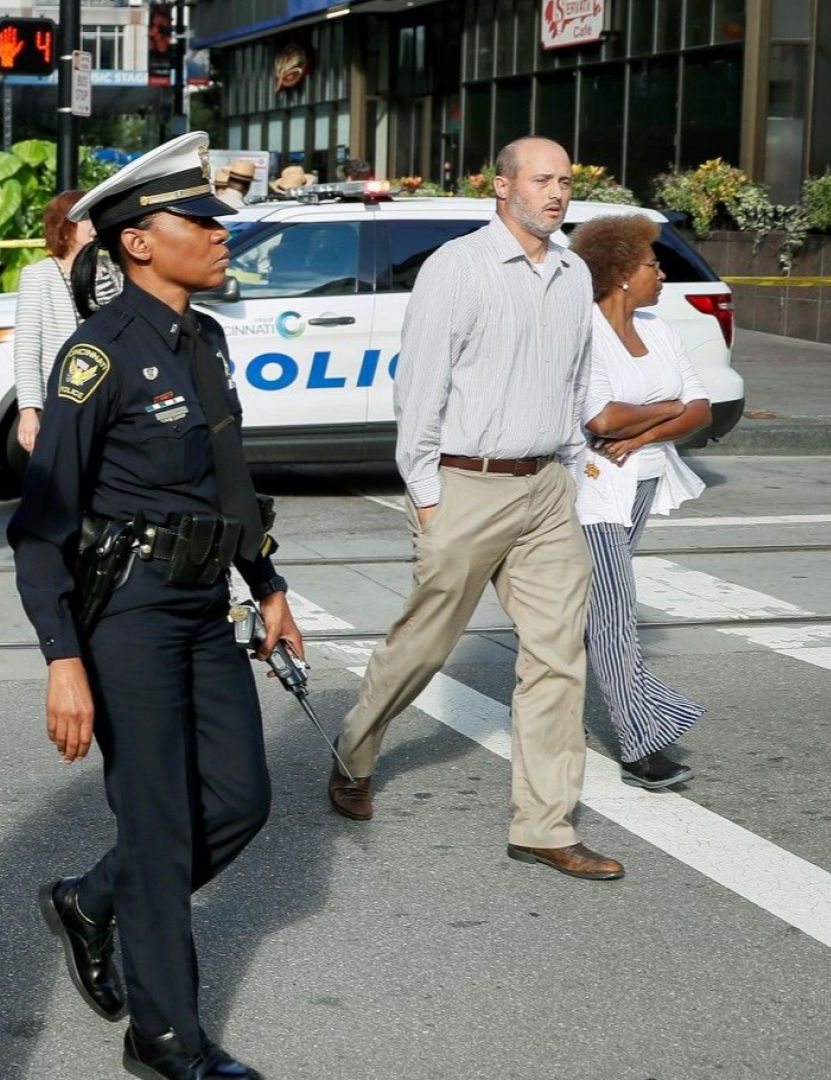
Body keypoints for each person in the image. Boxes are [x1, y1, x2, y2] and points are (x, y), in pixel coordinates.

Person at [8, 132, 300, 1080]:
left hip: (202, 601)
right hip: (126, 610)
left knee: (243, 798)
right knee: (160, 819)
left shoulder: (204, 339)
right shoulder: (97, 357)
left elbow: (229, 483)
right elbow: (41, 522)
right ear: (139, 241)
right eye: (200, 222)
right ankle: (164, 1037)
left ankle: (95, 900)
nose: (221, 237)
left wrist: (270, 587)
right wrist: (63, 657)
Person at [326, 137, 624, 880]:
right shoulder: (455, 268)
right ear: (503, 187)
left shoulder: (573, 270)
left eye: (565, 181)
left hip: (547, 490)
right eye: (543, 180)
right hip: (466, 486)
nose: (557, 193)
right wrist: (427, 498)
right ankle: (354, 750)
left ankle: (543, 823)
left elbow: (574, 379)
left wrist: (569, 473)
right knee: (423, 646)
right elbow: (419, 391)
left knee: (559, 655)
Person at [568, 215, 711, 788]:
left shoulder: (659, 329)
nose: (662, 271)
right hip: (596, 488)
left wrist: (648, 431)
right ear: (622, 273)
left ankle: (548, 701)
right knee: (613, 613)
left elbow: (700, 408)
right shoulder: (586, 332)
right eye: (653, 263)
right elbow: (600, 418)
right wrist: (668, 408)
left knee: (588, 612)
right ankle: (640, 740)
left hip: (644, 478)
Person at [13, 189, 123, 457]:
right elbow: (27, 350)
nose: (94, 225)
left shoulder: (115, 271)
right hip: (65, 400)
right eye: (85, 217)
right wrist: (29, 412)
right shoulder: (38, 276)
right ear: (64, 226)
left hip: (113, 398)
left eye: (95, 217)